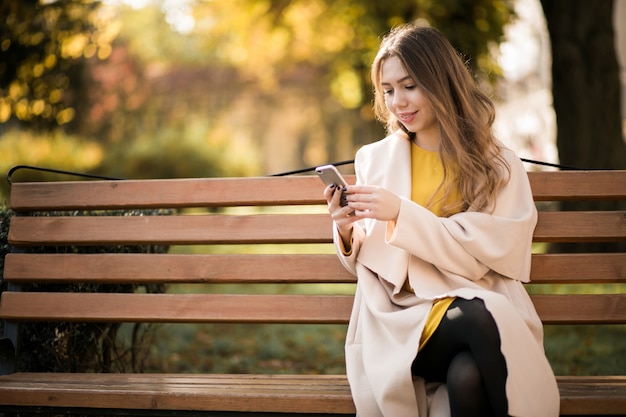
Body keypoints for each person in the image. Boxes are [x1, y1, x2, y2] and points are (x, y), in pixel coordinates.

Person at [323, 23, 560, 417]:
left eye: (410, 85)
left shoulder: (495, 163)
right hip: (401, 321)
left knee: (467, 376)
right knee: (482, 315)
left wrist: (402, 212)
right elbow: (371, 259)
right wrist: (346, 229)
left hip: (472, 304)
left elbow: (491, 250)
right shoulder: (375, 159)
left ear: (441, 80)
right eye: (388, 90)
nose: (398, 101)